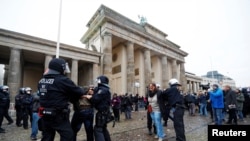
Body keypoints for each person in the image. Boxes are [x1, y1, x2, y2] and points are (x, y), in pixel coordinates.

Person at [38, 58, 85, 141]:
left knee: (47, 137)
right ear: (60, 68)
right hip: (58, 116)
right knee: (68, 136)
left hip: (44, 114)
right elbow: (79, 92)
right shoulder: (63, 80)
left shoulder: (41, 80)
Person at [85, 75, 113, 141]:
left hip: (102, 113)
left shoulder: (102, 90)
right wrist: (92, 90)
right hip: (104, 112)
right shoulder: (104, 89)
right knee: (103, 128)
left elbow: (95, 99)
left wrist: (90, 97)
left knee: (98, 129)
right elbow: (96, 90)